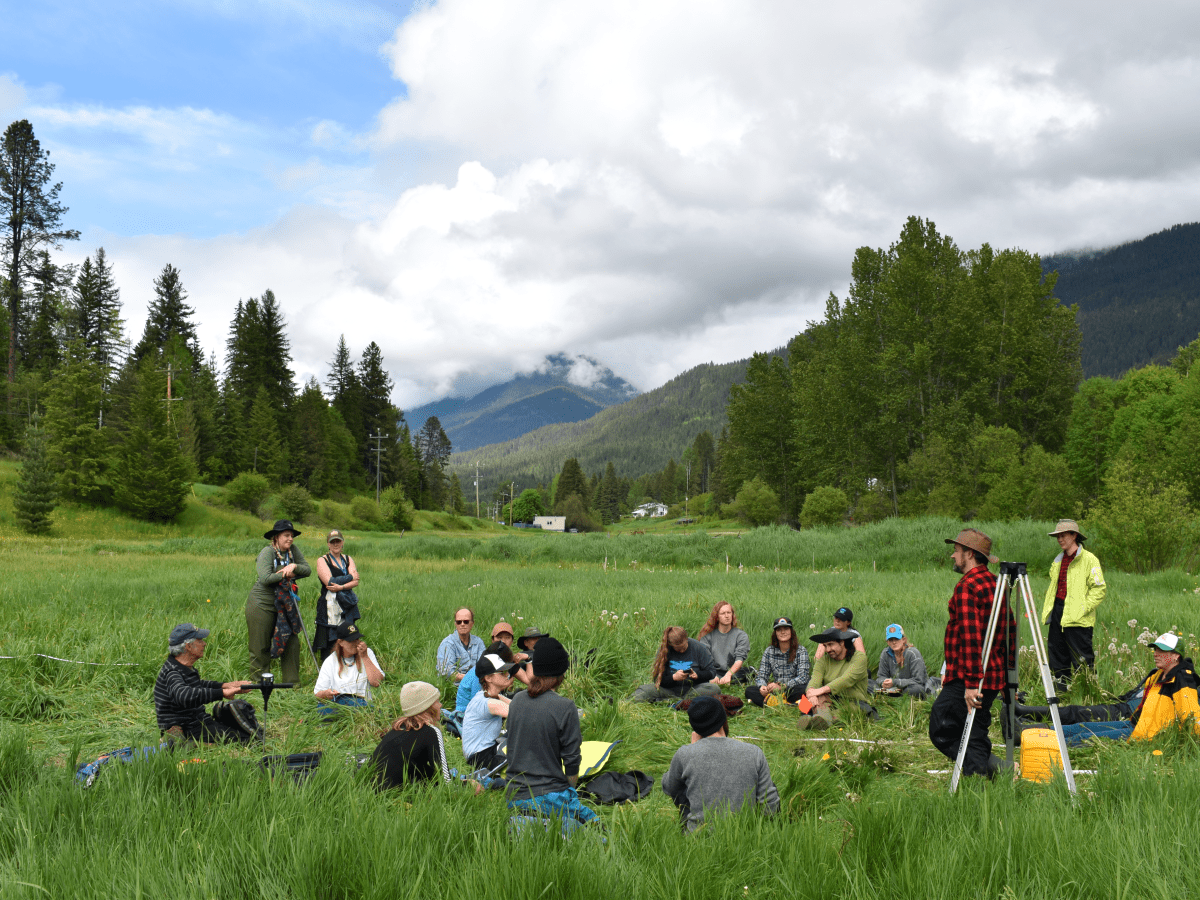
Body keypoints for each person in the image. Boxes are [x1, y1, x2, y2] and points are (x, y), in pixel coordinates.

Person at [928, 528, 1012, 779]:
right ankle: (992, 774)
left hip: (969, 676)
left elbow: (970, 636)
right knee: (974, 731)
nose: (953, 556)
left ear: (970, 554)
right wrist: (1009, 676)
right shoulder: (997, 583)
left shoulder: (967, 586)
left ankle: (979, 777)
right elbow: (1010, 629)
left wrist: (972, 684)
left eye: (957, 551)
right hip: (993, 675)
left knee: (941, 725)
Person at [1020, 633, 1200, 744]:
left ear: (1176, 656)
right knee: (1081, 727)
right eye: (1155, 649)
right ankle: (1025, 732)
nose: (1156, 654)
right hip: (1133, 724)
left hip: (1143, 736)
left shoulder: (1183, 678)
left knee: (1084, 738)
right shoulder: (1157, 675)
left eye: (1162, 651)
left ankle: (1038, 743)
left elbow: (1191, 715)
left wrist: (1189, 744)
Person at [505, 637, 598, 826]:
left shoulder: (516, 701)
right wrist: (570, 792)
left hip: (514, 796)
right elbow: (572, 761)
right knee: (597, 829)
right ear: (561, 673)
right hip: (550, 796)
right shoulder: (565, 707)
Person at [661, 696, 779, 832]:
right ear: (723, 719)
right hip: (746, 835)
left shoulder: (684, 754)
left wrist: (693, 748)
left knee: (682, 784)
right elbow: (770, 804)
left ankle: (690, 825)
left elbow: (669, 787)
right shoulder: (754, 752)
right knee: (769, 787)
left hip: (698, 837)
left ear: (694, 727)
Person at [154, 623, 257, 743]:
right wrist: (222, 693)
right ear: (188, 646)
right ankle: (185, 742)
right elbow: (185, 695)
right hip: (188, 727)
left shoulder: (180, 667)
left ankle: (187, 742)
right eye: (200, 640)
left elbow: (197, 685)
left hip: (196, 722)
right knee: (247, 739)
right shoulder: (172, 672)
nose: (204, 644)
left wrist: (225, 686)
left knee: (237, 728)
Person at [1040, 520, 1106, 688]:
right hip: (1058, 611)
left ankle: (1086, 695)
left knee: (1082, 660)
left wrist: (1083, 608)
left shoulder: (1089, 559)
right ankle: (1061, 694)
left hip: (1079, 617)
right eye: (1057, 536)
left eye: (1063, 535)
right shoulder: (1058, 560)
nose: (1059, 539)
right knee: (1057, 655)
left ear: (1074, 535)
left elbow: (1099, 589)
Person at [246, 519, 311, 683]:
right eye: (286, 535)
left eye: (292, 536)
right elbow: (266, 578)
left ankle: (292, 684)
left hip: (286, 603)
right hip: (262, 603)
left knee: (291, 642)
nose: (290, 539)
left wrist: (294, 567)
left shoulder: (293, 551)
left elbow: (307, 570)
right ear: (276, 537)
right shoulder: (267, 552)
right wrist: (285, 573)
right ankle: (260, 684)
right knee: (260, 645)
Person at [371, 682, 453, 789]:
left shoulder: (396, 729)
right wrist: (465, 785)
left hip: (374, 789)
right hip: (400, 794)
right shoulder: (431, 732)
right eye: (437, 701)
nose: (440, 705)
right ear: (428, 707)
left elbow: (420, 768)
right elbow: (444, 778)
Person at [800, 627, 872, 730]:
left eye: (831, 644)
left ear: (842, 642)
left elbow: (847, 679)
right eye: (825, 646)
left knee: (841, 714)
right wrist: (811, 693)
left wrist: (820, 690)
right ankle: (821, 719)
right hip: (830, 698)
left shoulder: (859, 657)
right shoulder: (823, 661)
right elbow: (815, 679)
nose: (828, 650)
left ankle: (818, 720)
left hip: (853, 700)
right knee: (812, 701)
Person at [631, 627, 721, 703]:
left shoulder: (699, 648)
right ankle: (682, 701)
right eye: (678, 649)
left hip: (693, 689)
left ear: (686, 639)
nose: (681, 651)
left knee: (714, 688)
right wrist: (674, 677)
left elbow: (711, 672)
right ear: (671, 645)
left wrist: (697, 675)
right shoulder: (664, 650)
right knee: (645, 690)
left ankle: (678, 701)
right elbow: (658, 680)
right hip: (669, 690)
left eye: (683, 648)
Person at [462, 653, 518, 771]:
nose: (507, 675)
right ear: (488, 678)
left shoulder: (491, 696)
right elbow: (522, 714)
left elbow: (519, 706)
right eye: (502, 673)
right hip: (480, 758)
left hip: (485, 751)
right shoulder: (487, 702)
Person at [313, 622, 384, 713]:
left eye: (357, 639)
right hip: (340, 707)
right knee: (322, 710)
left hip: (363, 707)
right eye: (351, 640)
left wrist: (365, 657)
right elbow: (318, 695)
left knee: (370, 710)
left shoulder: (367, 653)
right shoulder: (330, 661)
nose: (356, 643)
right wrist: (326, 694)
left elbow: (376, 682)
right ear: (340, 642)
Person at [313, 530, 360, 662]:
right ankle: (327, 668)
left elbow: (356, 582)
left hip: (347, 604)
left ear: (342, 542)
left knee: (348, 636)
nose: (335, 544)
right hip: (329, 607)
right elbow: (329, 582)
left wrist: (341, 587)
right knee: (330, 640)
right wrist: (350, 577)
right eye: (332, 542)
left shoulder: (348, 559)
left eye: (338, 541)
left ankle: (346, 668)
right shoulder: (322, 560)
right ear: (328, 544)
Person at [745, 617, 810, 707]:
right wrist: (762, 687)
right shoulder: (769, 651)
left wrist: (782, 686)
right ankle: (786, 703)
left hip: (791, 689)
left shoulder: (801, 651)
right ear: (775, 633)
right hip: (774, 690)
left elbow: (803, 677)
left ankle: (771, 702)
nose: (783, 632)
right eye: (779, 630)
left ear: (791, 632)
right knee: (749, 690)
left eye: (786, 629)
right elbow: (762, 675)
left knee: (804, 689)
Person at [456, 640, 517, 717]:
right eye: (503, 672)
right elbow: (477, 706)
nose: (507, 674)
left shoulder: (484, 671)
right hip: (465, 713)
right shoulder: (478, 677)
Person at [697, 602, 751, 685]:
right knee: (698, 673)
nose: (727, 616)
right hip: (714, 671)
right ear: (717, 617)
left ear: (732, 615)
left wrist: (728, 675)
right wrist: (712, 675)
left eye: (729, 612)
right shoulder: (707, 636)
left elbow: (739, 659)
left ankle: (726, 681)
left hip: (733, 671)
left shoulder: (741, 635)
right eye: (723, 613)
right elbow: (704, 659)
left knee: (748, 673)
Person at [874, 623, 930, 698]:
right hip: (893, 688)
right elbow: (880, 676)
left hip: (913, 687)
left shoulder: (913, 653)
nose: (894, 642)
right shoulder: (885, 653)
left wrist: (895, 682)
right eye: (891, 640)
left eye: (897, 639)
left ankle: (897, 698)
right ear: (888, 642)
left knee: (915, 690)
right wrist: (883, 682)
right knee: (869, 684)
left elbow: (919, 680)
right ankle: (893, 696)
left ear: (903, 640)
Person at [436, 607, 485, 683]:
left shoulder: (478, 642)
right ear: (455, 624)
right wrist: (470, 678)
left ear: (472, 623)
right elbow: (447, 673)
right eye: (459, 622)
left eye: (466, 621)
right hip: (454, 686)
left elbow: (484, 666)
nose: (462, 624)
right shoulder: (448, 643)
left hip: (476, 683)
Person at [490, 620, 532, 686]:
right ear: (492, 640)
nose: (503, 641)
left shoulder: (510, 661)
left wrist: (528, 659)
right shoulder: (488, 659)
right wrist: (509, 683)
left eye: (507, 637)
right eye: (499, 637)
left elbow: (530, 681)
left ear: (512, 641)